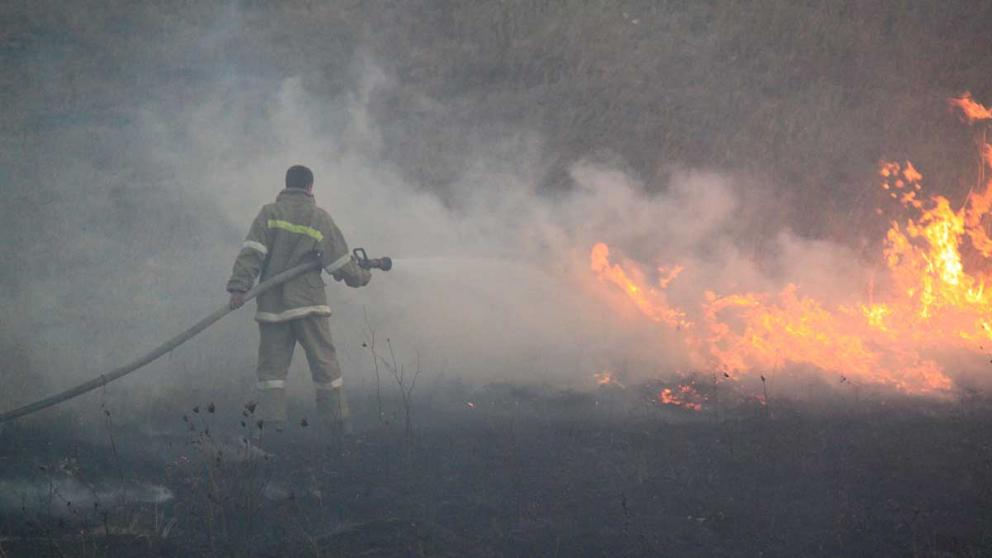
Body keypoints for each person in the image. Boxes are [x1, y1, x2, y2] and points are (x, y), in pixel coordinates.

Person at [226, 165, 371, 434]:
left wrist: (239, 288)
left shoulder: (268, 214)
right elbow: (340, 264)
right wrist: (362, 275)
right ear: (310, 187)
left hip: (272, 308)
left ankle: (271, 428)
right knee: (325, 365)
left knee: (271, 372)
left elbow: (252, 253)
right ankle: (337, 423)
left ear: (286, 184)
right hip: (309, 305)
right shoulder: (319, 218)